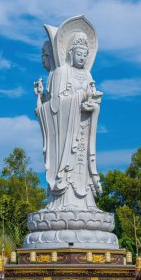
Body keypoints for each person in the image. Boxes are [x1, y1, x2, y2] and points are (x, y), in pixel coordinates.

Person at [35, 32, 102, 211]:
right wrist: (78, 97)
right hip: (65, 141)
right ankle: (61, 200)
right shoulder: (60, 73)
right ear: (70, 53)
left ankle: (87, 201)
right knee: (68, 169)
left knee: (83, 168)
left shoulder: (88, 75)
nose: (82, 58)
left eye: (84, 55)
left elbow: (94, 99)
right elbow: (54, 106)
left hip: (83, 132)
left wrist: (93, 103)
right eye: (78, 54)